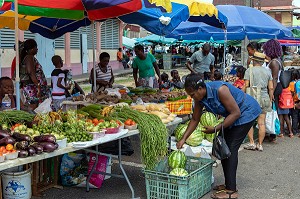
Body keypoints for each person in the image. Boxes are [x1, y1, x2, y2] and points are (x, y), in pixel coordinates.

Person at [177, 74, 261, 199]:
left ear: (200, 89)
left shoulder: (220, 90)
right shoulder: (199, 99)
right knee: (223, 147)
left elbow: (236, 113)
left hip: (246, 112)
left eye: (192, 94)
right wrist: (183, 138)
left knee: (230, 149)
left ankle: (231, 191)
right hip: (232, 116)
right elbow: (195, 119)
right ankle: (228, 184)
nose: (192, 97)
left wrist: (215, 129)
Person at [243, 52, 273, 151]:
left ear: (253, 60)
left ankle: (251, 142)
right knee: (261, 123)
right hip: (264, 98)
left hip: (252, 98)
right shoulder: (268, 72)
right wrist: (270, 98)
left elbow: (246, 85)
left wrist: (241, 96)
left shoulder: (249, 71)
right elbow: (271, 88)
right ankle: (260, 144)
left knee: (249, 122)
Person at [263, 39, 284, 142]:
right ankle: (271, 131)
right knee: (272, 109)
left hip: (274, 87)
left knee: (272, 109)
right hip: (275, 87)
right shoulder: (277, 60)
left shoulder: (274, 62)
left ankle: (273, 133)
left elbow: (274, 78)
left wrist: (271, 93)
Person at [19, 39, 50, 110]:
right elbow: (31, 73)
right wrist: (38, 86)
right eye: (36, 47)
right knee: (34, 104)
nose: (37, 49)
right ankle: (30, 119)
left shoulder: (29, 57)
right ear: (32, 48)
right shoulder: (29, 57)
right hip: (32, 87)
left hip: (33, 86)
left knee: (35, 104)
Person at [290, 70, 300, 136]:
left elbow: (290, 93)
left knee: (294, 116)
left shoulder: (291, 83)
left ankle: (294, 130)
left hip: (294, 102)